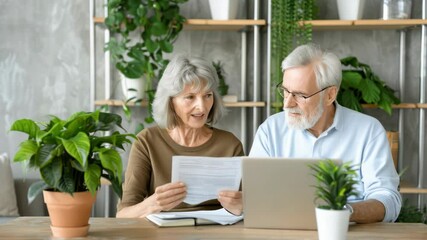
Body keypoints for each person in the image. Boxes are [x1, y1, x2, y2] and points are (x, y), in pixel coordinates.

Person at [249, 44, 402, 223]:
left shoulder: (369, 131)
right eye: (285, 91)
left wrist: (342, 212)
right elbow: (256, 194)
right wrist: (243, 202)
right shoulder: (270, 130)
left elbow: (388, 200)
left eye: (300, 95)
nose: (287, 104)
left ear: (330, 95)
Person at [116, 55, 244, 218]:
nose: (202, 106)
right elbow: (123, 215)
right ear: (170, 101)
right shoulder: (147, 141)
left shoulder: (230, 144)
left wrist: (242, 205)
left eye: (208, 95)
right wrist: (154, 203)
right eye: (190, 97)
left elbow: (249, 207)